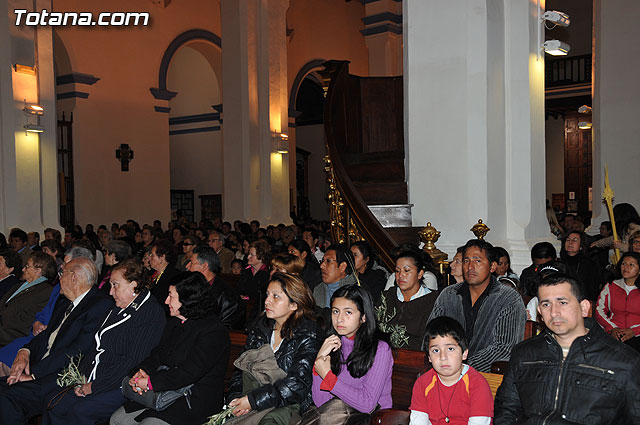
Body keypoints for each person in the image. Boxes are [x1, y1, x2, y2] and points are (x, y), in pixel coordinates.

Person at [494, 273, 640, 424]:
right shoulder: (525, 353)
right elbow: (507, 408)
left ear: (584, 308)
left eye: (562, 303)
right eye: (546, 304)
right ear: (540, 312)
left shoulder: (625, 362)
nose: (554, 312)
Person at [43, 258, 166, 424]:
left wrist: (93, 387)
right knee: (54, 403)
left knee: (80, 412)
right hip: (94, 376)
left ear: (134, 285)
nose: (110, 292)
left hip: (120, 384)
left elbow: (132, 362)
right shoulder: (117, 306)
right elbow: (95, 347)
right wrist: (80, 378)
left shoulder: (151, 313)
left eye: (115, 285)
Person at [0, 258, 114, 424]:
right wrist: (25, 351)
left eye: (62, 273)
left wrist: (34, 374)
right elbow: (45, 336)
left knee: (8, 397)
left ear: (74, 277)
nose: (59, 278)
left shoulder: (99, 305)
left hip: (61, 376)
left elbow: (77, 351)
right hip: (44, 367)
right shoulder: (64, 302)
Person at [111, 272, 230, 425]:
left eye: (171, 296)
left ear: (188, 300)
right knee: (118, 419)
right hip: (165, 391)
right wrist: (142, 371)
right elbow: (158, 354)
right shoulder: (174, 322)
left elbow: (189, 372)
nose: (166, 301)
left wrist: (149, 382)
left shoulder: (213, 331)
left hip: (194, 399)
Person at [226, 273, 318, 425]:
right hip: (253, 399)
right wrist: (235, 400)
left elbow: (297, 384)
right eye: (268, 294)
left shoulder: (307, 336)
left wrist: (252, 401)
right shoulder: (260, 329)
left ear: (294, 304)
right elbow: (240, 370)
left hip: (289, 407)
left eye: (276, 296)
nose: (267, 301)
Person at [428, 239, 526, 372]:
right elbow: (432, 333)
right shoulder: (448, 295)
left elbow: (504, 348)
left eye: (477, 261)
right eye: (466, 261)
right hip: (445, 369)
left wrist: (463, 368)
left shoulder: (509, 298)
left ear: (492, 267)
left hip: (488, 376)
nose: (470, 267)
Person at [302, 285, 393, 425]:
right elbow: (321, 403)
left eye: (348, 312)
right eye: (335, 311)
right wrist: (319, 362)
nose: (339, 319)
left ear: (363, 317)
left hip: (372, 418)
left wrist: (328, 377)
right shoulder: (333, 345)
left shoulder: (380, 349)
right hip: (335, 417)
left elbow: (367, 404)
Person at [409, 316, 493, 425]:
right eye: (435, 350)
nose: (443, 357)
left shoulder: (477, 384)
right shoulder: (422, 384)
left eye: (450, 349)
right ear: (429, 357)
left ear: (464, 353)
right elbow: (418, 422)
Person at [377, 249, 439, 350]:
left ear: (420, 274)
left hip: (416, 359)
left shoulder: (433, 300)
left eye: (406, 270)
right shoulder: (387, 296)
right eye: (397, 271)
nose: (400, 275)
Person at [0, 252, 56, 347]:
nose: (23, 269)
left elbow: (28, 320)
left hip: (10, 336)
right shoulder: (20, 285)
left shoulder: (46, 291)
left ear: (38, 271)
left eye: (27, 266)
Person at [187, 246, 245, 329]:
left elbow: (224, 330)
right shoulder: (194, 287)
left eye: (191, 263)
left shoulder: (228, 298)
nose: (187, 266)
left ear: (204, 266)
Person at [595, 251, 640, 351]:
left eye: (631, 265)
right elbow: (599, 310)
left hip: (637, 334)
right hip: (614, 332)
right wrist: (612, 328)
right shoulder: (611, 285)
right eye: (624, 264)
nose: (626, 267)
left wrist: (634, 331)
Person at [560, 230, 603, 302]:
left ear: (581, 246)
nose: (570, 242)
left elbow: (593, 289)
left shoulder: (589, 264)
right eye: (568, 240)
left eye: (575, 240)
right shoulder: (559, 263)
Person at [314, 245, 357, 309]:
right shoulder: (318, 290)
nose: (321, 266)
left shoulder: (356, 291)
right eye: (322, 261)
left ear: (342, 267)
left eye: (328, 261)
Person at [149, 239, 181, 315]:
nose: (149, 258)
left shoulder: (174, 275)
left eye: (152, 255)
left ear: (162, 257)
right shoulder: (151, 273)